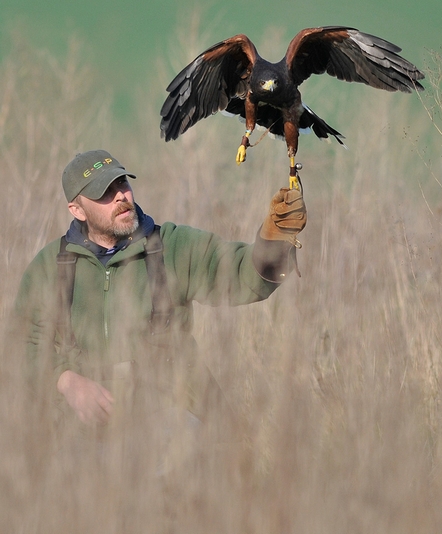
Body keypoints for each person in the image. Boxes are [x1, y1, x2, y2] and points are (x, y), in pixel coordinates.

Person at [14, 150, 307, 435]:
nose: (120, 196)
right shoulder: (51, 267)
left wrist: (275, 241)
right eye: (104, 192)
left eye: (122, 183)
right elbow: (22, 344)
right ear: (77, 210)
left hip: (172, 421)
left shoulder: (172, 247)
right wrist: (66, 381)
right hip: (86, 431)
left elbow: (243, 276)